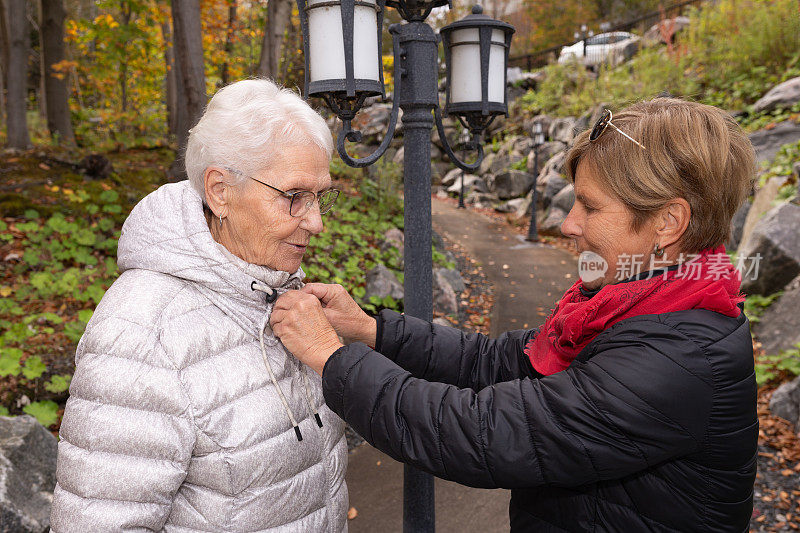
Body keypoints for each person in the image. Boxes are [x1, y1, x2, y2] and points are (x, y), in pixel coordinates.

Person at [270, 97, 759, 532]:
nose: (568, 224)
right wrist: (373, 330)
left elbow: (483, 434)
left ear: (668, 222)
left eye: (589, 206)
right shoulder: (637, 304)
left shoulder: (677, 359)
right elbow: (501, 360)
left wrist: (334, 359)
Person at [50, 79, 349, 532]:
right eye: (293, 197)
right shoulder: (141, 335)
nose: (317, 222)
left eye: (320, 195)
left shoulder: (278, 289)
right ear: (220, 191)